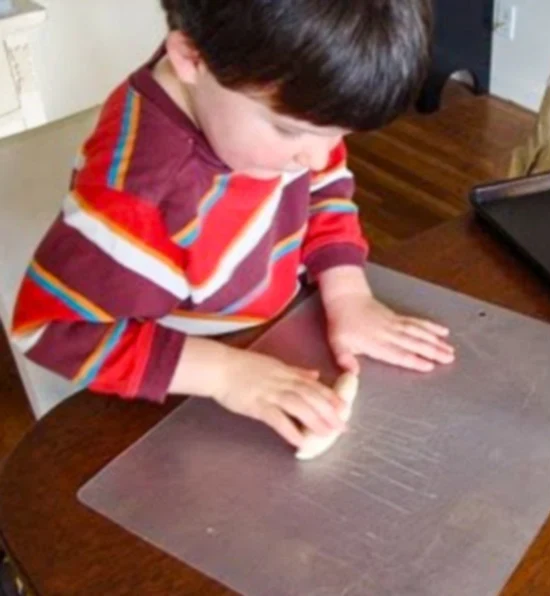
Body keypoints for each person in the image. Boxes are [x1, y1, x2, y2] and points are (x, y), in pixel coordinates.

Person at [11, 0, 456, 448]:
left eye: (339, 135)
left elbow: (322, 183)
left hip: (267, 324)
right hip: (184, 373)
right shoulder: (141, 200)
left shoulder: (252, 74)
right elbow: (51, 329)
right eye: (290, 131)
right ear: (190, 58)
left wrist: (347, 292)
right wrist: (224, 374)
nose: (318, 157)